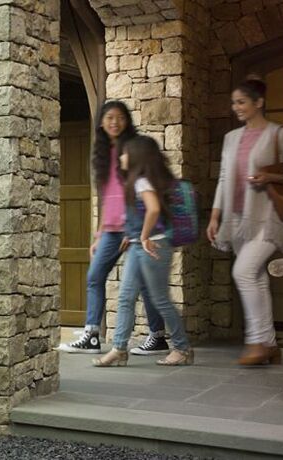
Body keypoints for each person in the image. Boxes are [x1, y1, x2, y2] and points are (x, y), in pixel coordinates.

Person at [206, 78, 283, 366]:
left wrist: (272, 177)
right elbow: (224, 179)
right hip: (238, 219)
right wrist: (215, 216)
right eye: (234, 102)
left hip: (268, 217)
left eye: (241, 101)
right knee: (257, 277)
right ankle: (271, 346)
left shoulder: (280, 134)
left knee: (243, 272)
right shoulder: (231, 138)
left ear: (258, 102)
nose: (236, 107)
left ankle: (256, 342)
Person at [58, 100, 171, 356]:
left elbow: (134, 191)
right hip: (109, 230)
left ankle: (157, 335)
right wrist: (98, 233)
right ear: (101, 122)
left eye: (120, 117)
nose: (114, 122)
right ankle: (92, 335)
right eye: (109, 117)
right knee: (95, 277)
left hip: (130, 226)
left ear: (127, 121)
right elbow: (106, 195)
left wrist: (131, 229)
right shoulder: (101, 153)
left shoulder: (131, 149)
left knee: (144, 284)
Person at [93, 136, 193, 367]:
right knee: (126, 297)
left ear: (137, 156)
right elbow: (143, 211)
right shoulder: (141, 180)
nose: (121, 157)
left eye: (125, 153)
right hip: (140, 246)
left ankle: (182, 348)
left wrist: (145, 235)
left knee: (160, 299)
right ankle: (119, 349)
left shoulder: (142, 181)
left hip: (153, 246)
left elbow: (154, 209)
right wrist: (134, 234)